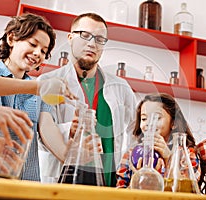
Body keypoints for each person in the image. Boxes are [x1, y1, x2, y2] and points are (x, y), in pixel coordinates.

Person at [37, 12, 137, 186]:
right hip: (63, 182)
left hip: (108, 184)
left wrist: (131, 166)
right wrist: (69, 129)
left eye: (99, 39)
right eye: (85, 35)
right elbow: (37, 135)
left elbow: (137, 132)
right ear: (70, 38)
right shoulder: (46, 82)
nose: (92, 44)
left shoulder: (121, 88)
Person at [0, 13, 57, 181]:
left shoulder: (40, 91)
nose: (38, 53)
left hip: (24, 185)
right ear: (12, 38)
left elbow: (48, 130)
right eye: (33, 44)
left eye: (43, 51)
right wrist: (35, 87)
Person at [116, 93, 200, 188]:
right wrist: (139, 179)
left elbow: (191, 188)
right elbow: (120, 192)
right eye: (144, 119)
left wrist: (169, 158)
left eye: (156, 117)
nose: (149, 123)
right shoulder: (130, 155)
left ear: (174, 123)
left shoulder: (186, 153)